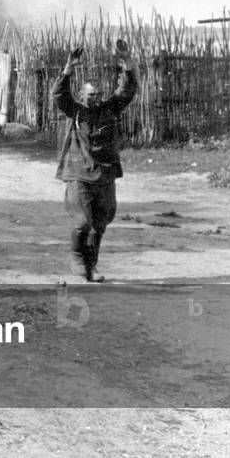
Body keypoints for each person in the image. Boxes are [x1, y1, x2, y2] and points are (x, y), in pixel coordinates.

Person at [53, 43, 138, 282]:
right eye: (91, 95)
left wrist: (128, 62)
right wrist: (68, 68)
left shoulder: (109, 109)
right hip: (79, 173)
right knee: (82, 222)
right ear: (82, 95)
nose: (96, 99)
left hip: (105, 174)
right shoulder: (76, 111)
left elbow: (127, 90)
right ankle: (78, 258)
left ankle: (92, 265)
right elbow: (59, 95)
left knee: (101, 222)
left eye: (99, 94)